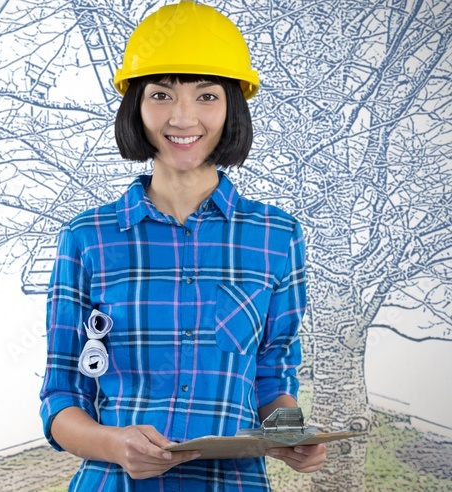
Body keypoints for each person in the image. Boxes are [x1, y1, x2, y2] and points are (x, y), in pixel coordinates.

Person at [38, 1, 328, 490]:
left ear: (233, 105)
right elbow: (61, 398)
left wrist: (292, 435)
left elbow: (273, 379)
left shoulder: (277, 238)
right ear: (136, 105)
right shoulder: (86, 239)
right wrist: (114, 445)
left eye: (207, 96)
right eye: (161, 94)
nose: (183, 116)